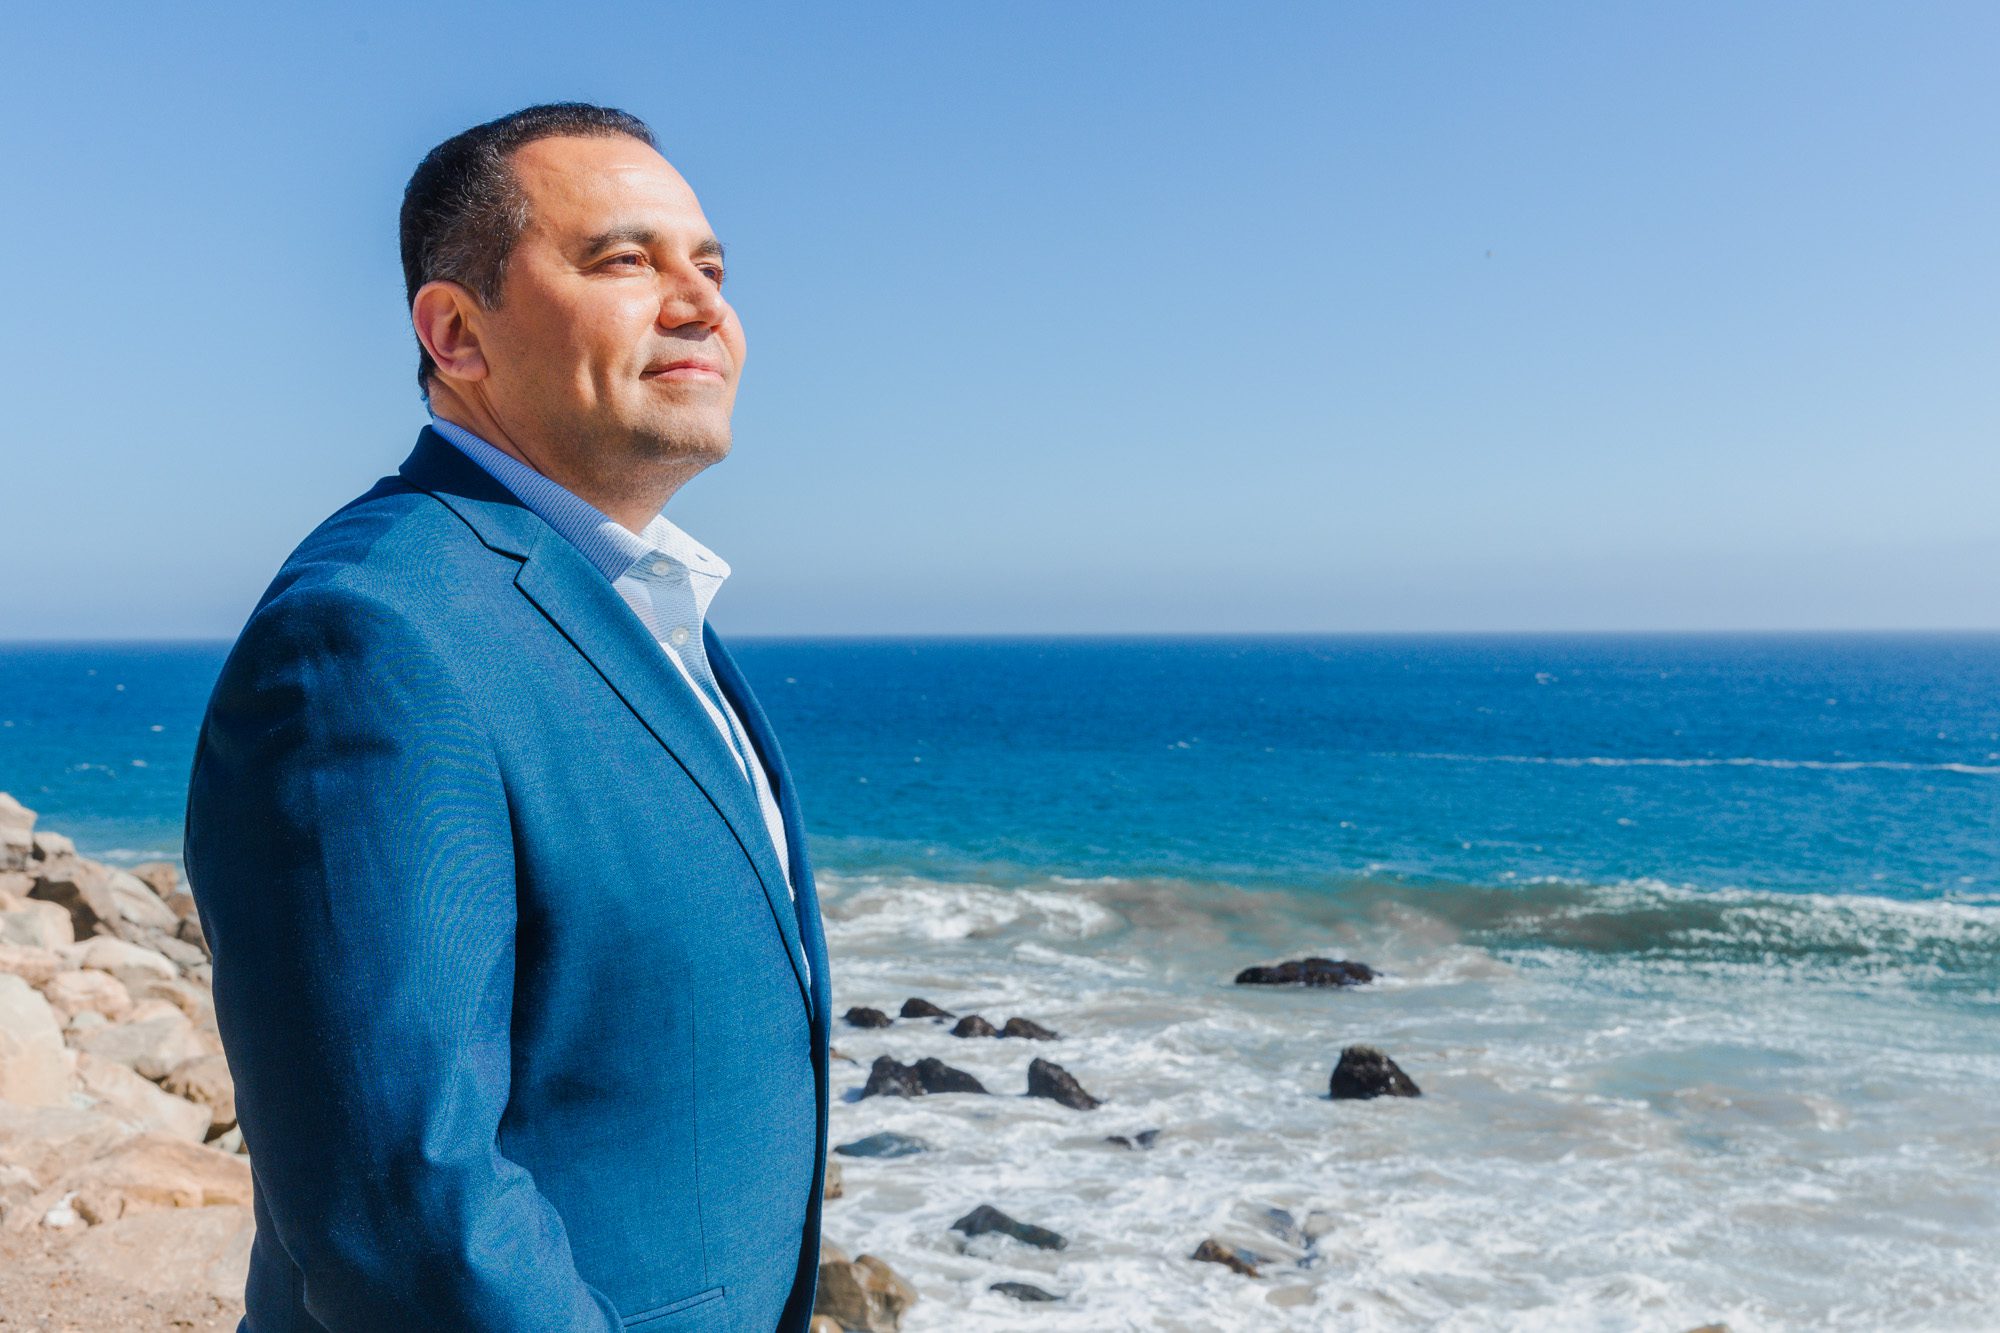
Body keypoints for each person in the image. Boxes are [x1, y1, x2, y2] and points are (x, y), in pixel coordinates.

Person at [184, 103, 830, 1331]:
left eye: (711, 266)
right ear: (457, 333)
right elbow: (402, 1208)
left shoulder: (633, 597)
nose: (699, 303)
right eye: (625, 259)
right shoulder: (370, 637)